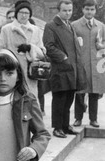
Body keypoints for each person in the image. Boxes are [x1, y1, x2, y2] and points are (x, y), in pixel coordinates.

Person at [43, 0, 87, 138]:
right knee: (60, 99)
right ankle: (57, 127)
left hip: (72, 69)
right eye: (65, 10)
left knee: (69, 99)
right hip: (61, 69)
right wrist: (63, 58)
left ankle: (65, 125)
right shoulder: (51, 26)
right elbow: (49, 46)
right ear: (58, 10)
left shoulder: (70, 25)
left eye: (70, 10)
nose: (68, 13)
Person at [0, 0, 46, 97]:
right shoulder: (7, 29)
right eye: (21, 12)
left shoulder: (36, 30)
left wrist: (31, 47)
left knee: (29, 101)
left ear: (30, 15)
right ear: (16, 13)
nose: (24, 15)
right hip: (11, 70)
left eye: (26, 13)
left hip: (30, 73)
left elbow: (42, 52)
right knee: (12, 100)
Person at [72, 0, 105, 128]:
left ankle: (93, 119)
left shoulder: (101, 26)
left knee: (94, 92)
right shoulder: (75, 25)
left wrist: (101, 45)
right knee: (80, 92)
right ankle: (78, 118)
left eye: (92, 9)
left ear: (95, 10)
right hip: (81, 63)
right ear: (83, 10)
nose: (89, 12)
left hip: (97, 64)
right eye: (87, 9)